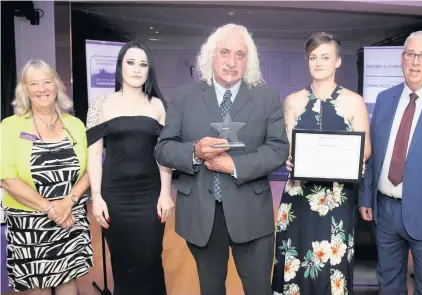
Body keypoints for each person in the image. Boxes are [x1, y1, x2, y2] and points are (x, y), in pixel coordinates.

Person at [155, 23, 289, 295]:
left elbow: (278, 148)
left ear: (248, 60)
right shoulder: (184, 97)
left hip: (252, 214)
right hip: (202, 215)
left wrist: (235, 165)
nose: (231, 62)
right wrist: (194, 151)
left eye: (240, 55)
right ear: (210, 56)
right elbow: (163, 149)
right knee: (211, 289)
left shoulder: (267, 97)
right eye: (225, 52)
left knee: (258, 290)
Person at [271, 32, 371, 295]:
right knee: (295, 259)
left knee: (332, 267)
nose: (318, 62)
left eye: (325, 57)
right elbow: (287, 147)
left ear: (338, 61)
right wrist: (290, 157)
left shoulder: (353, 101)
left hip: (337, 198)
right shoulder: (293, 101)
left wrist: (355, 159)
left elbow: (367, 149)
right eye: (313, 57)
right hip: (298, 198)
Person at [359, 30, 422, 295]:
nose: (415, 62)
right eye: (411, 54)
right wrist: (366, 197)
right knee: (388, 283)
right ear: (402, 59)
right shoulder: (385, 99)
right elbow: (374, 153)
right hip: (385, 212)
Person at [86, 40, 173, 294]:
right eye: (131, 62)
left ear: (149, 70)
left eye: (143, 64)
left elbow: (164, 156)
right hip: (115, 198)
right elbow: (94, 156)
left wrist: (165, 193)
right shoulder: (100, 105)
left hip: (150, 196)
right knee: (123, 263)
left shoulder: (158, 106)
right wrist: (96, 197)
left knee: (150, 260)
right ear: (120, 66)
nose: (137, 69)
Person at [0, 59, 93, 294]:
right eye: (34, 83)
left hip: (70, 218)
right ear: (25, 90)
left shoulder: (76, 125)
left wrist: (67, 202)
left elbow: (90, 170)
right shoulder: (9, 126)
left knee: (68, 282)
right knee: (36, 287)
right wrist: (52, 209)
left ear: (57, 86)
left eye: (47, 81)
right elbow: (7, 178)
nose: (42, 88)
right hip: (29, 225)